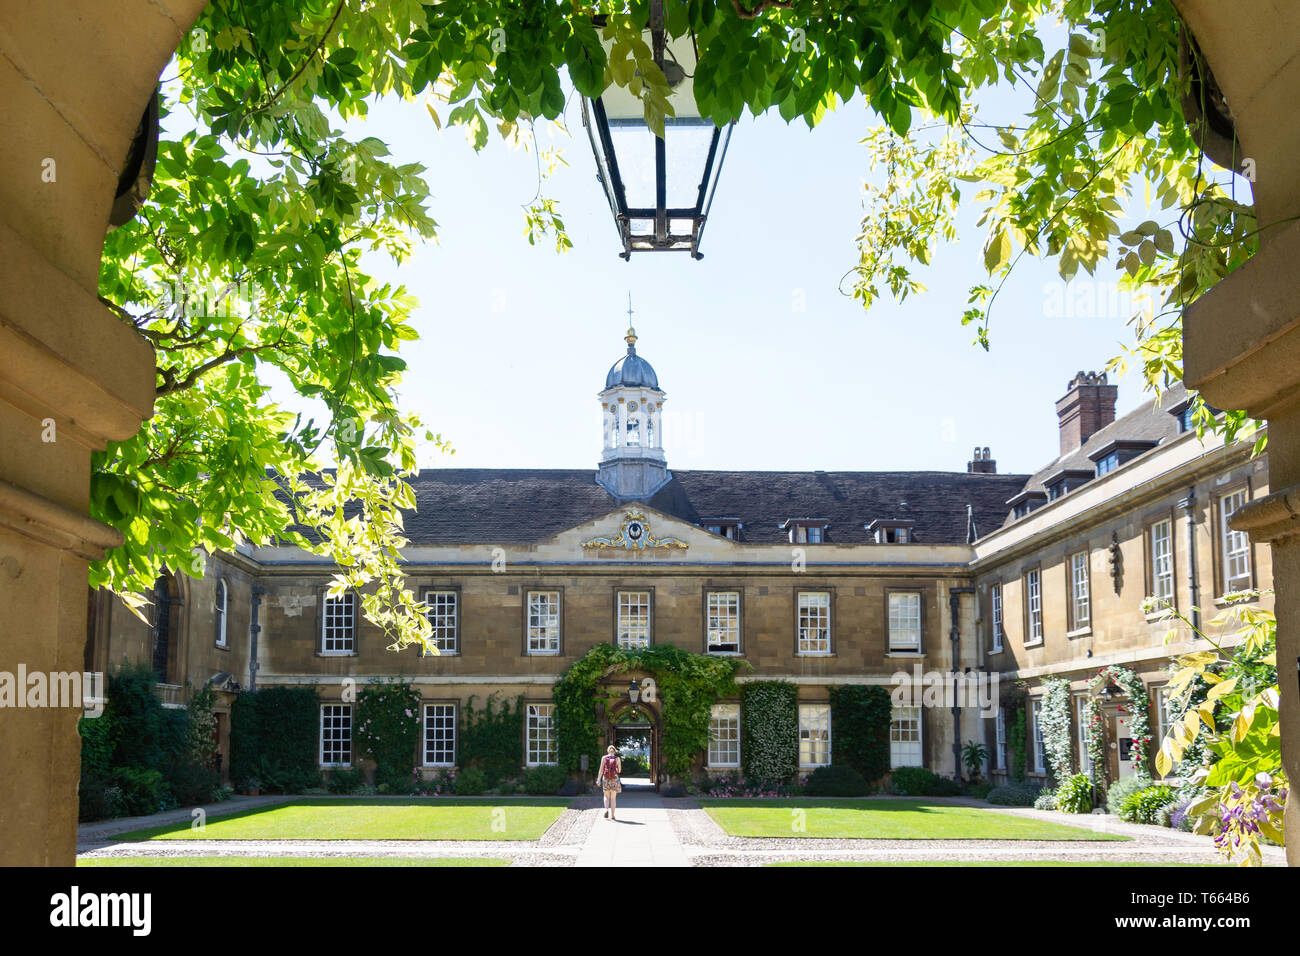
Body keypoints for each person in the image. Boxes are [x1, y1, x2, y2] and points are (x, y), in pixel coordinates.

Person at [597, 745, 622, 820]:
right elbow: (619, 771)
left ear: (608, 751)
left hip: (606, 779)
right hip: (614, 779)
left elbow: (601, 770)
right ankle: (612, 815)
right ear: (614, 751)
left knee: (606, 796)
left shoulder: (604, 758)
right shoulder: (617, 759)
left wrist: (598, 779)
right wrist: (616, 768)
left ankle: (606, 810)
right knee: (613, 798)